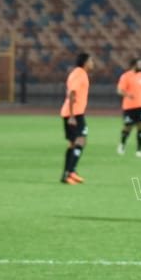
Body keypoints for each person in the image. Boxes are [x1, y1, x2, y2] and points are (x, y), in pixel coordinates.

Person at [59, 53, 92, 184]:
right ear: (85, 62)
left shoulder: (79, 73)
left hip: (75, 113)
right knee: (80, 141)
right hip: (74, 114)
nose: (92, 63)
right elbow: (72, 93)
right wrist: (72, 116)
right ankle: (69, 173)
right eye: (91, 61)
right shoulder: (79, 74)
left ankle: (69, 173)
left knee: (75, 143)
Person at [116, 58, 141, 157]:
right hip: (129, 107)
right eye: (140, 64)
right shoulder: (126, 76)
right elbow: (119, 90)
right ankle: (122, 145)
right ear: (134, 65)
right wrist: (128, 95)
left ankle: (139, 151)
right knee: (128, 127)